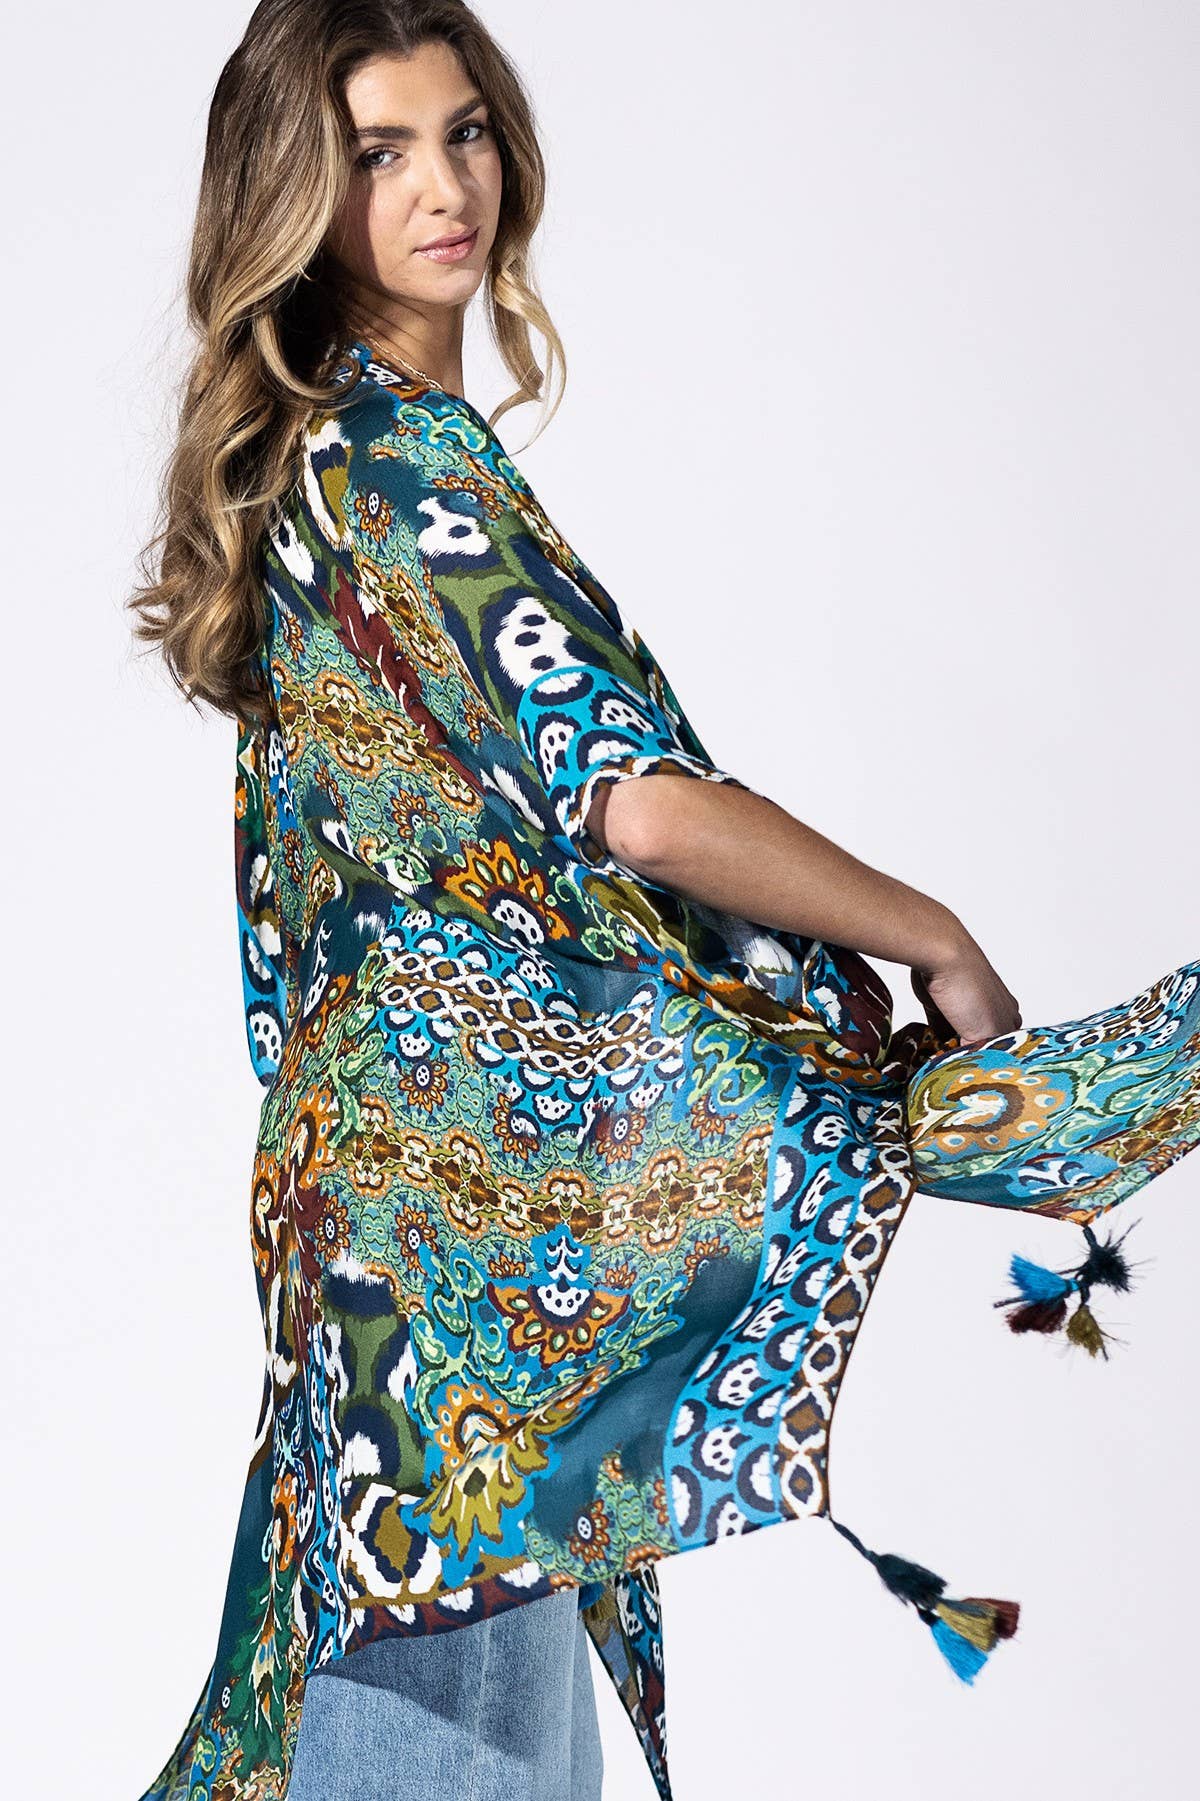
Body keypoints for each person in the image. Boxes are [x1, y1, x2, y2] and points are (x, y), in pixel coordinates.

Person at [129, 3, 1200, 1798]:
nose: (442, 187)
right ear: (298, 199)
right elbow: (629, 802)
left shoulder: (320, 471)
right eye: (378, 153)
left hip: (427, 1292)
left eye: (463, 130)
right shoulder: (398, 467)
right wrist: (927, 933)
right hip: (458, 1306)